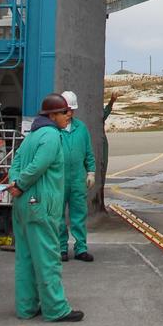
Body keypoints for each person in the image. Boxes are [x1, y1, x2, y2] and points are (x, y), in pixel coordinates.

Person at [8, 93, 83, 322]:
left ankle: (26, 307)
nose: (68, 116)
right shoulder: (51, 136)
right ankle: (56, 308)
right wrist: (21, 184)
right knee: (48, 257)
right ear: (52, 115)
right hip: (41, 206)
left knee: (26, 258)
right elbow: (39, 165)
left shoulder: (31, 136)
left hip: (22, 206)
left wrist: (15, 183)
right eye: (64, 113)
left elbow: (17, 163)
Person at [59, 89, 96, 263]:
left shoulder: (81, 128)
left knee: (79, 214)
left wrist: (91, 172)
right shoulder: (54, 129)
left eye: (72, 110)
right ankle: (61, 248)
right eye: (67, 110)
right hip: (58, 179)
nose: (70, 113)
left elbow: (88, 152)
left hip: (77, 178)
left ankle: (81, 247)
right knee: (58, 215)